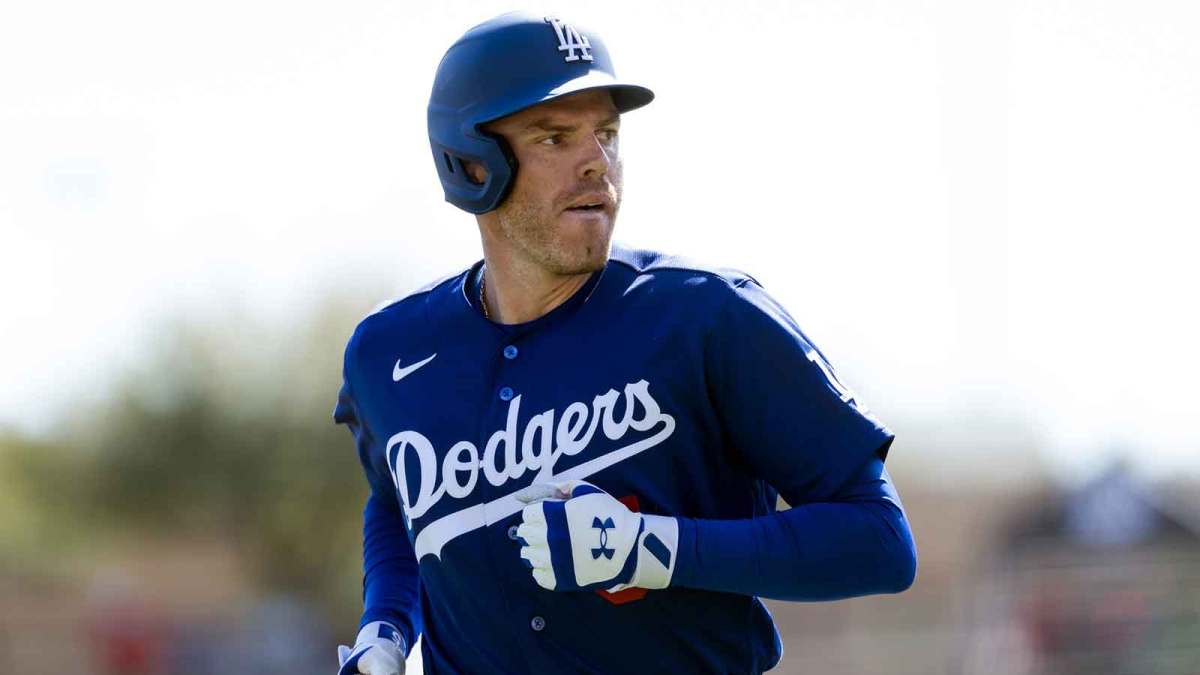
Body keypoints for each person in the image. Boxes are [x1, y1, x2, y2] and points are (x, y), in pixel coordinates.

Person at [334, 11, 917, 675]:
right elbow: (395, 499)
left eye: (606, 134)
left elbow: (880, 540)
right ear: (470, 164)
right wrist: (385, 625)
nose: (596, 162)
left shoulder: (707, 317)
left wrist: (653, 548)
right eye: (556, 136)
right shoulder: (388, 354)